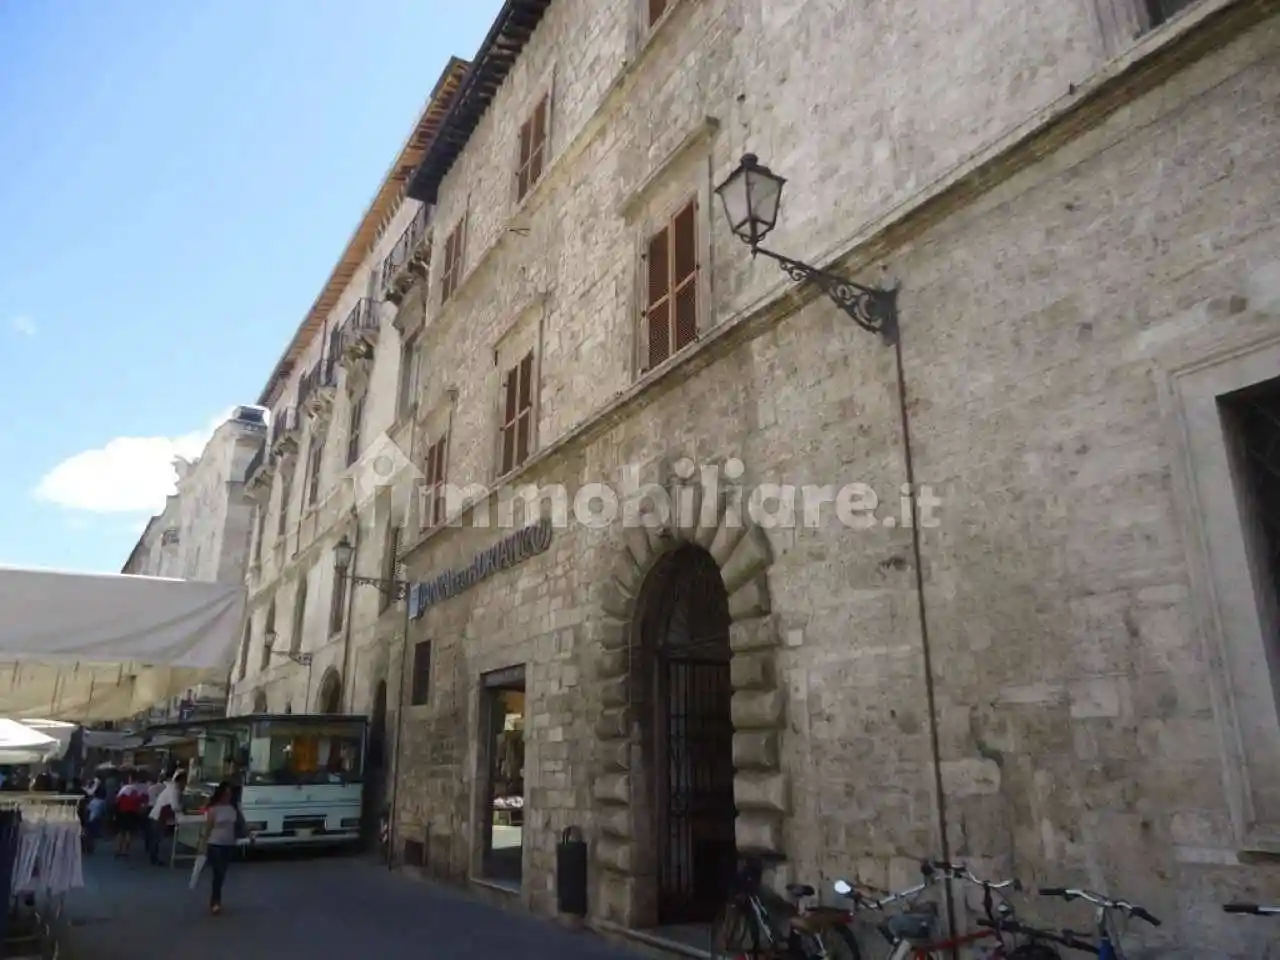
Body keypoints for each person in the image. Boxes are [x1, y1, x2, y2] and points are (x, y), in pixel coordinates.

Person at [198, 781, 243, 915]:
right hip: (215, 843)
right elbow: (208, 828)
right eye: (225, 793)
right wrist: (203, 845)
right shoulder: (214, 809)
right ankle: (215, 901)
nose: (227, 796)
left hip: (229, 843)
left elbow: (241, 824)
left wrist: (249, 833)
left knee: (222, 873)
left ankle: (216, 899)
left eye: (230, 794)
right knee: (218, 872)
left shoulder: (234, 808)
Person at [146, 770, 186, 866]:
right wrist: (183, 808)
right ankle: (154, 858)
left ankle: (153, 857)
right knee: (156, 838)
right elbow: (175, 806)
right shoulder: (174, 790)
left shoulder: (171, 788)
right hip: (159, 816)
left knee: (155, 838)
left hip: (157, 815)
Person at [113, 774, 144, 857]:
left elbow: (117, 800)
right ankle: (126, 850)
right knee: (129, 832)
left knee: (121, 831)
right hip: (133, 813)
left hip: (122, 812)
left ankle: (118, 849)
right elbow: (140, 802)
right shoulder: (138, 790)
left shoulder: (125, 789)